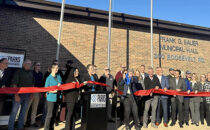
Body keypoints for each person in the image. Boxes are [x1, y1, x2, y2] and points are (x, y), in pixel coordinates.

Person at [8, 59, 35, 130]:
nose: (30, 65)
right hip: (19, 95)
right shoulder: (18, 72)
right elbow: (14, 84)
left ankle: (20, 127)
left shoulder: (31, 73)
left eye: (30, 64)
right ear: (24, 64)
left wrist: (32, 93)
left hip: (28, 95)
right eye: (28, 63)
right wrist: (16, 95)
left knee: (23, 113)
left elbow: (32, 84)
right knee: (14, 113)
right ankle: (10, 128)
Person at [24, 62, 43, 127]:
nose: (39, 66)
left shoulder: (40, 74)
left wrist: (41, 93)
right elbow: (30, 82)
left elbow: (41, 84)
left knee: (35, 108)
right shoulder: (31, 73)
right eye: (38, 65)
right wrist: (31, 92)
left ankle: (33, 121)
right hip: (31, 92)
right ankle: (24, 122)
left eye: (39, 65)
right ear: (34, 66)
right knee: (27, 108)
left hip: (38, 92)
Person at [44, 63, 62, 130]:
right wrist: (52, 91)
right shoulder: (49, 78)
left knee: (54, 114)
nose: (57, 69)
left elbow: (61, 83)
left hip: (57, 97)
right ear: (52, 69)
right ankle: (46, 128)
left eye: (58, 68)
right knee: (50, 115)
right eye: (56, 68)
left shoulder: (58, 76)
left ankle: (51, 128)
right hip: (51, 98)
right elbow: (46, 89)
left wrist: (60, 85)